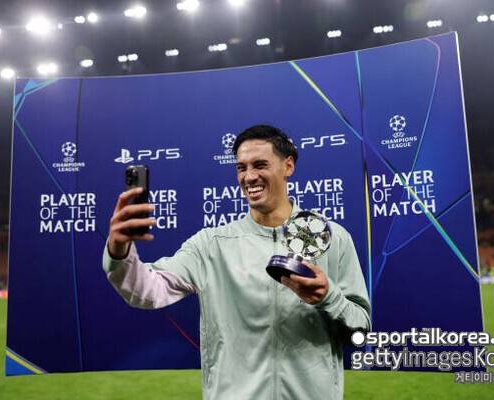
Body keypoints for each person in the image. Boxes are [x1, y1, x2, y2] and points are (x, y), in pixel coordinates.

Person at [103, 124, 371, 400]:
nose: (249, 176)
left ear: (288, 166)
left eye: (260, 165)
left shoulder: (333, 238)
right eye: (242, 168)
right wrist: (119, 250)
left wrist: (328, 297)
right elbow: (146, 291)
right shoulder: (211, 244)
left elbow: (360, 331)